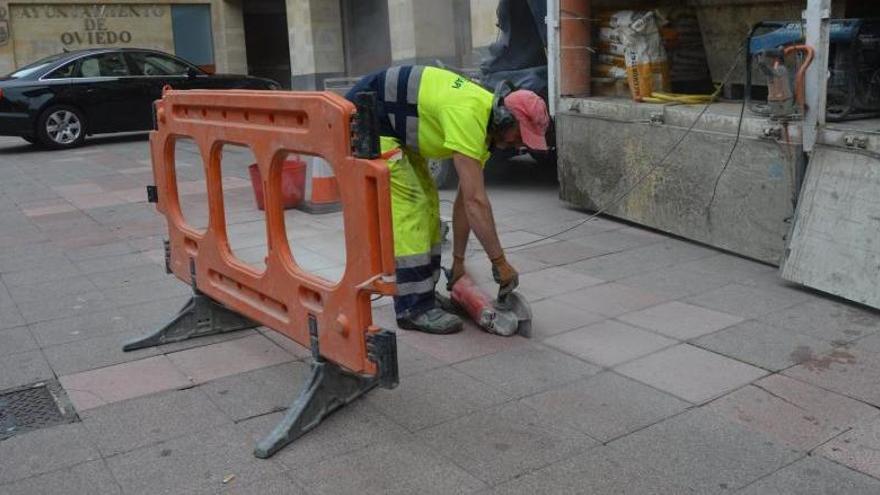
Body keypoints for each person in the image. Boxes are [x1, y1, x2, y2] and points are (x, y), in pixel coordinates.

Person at [346, 65, 550, 335]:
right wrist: (499, 262)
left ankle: (425, 295)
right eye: (520, 135)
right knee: (413, 205)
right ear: (504, 119)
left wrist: (458, 261)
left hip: (393, 126)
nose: (520, 145)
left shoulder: (485, 129)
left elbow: (466, 200)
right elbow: (477, 203)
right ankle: (412, 307)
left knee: (430, 203)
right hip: (367, 117)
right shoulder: (469, 115)